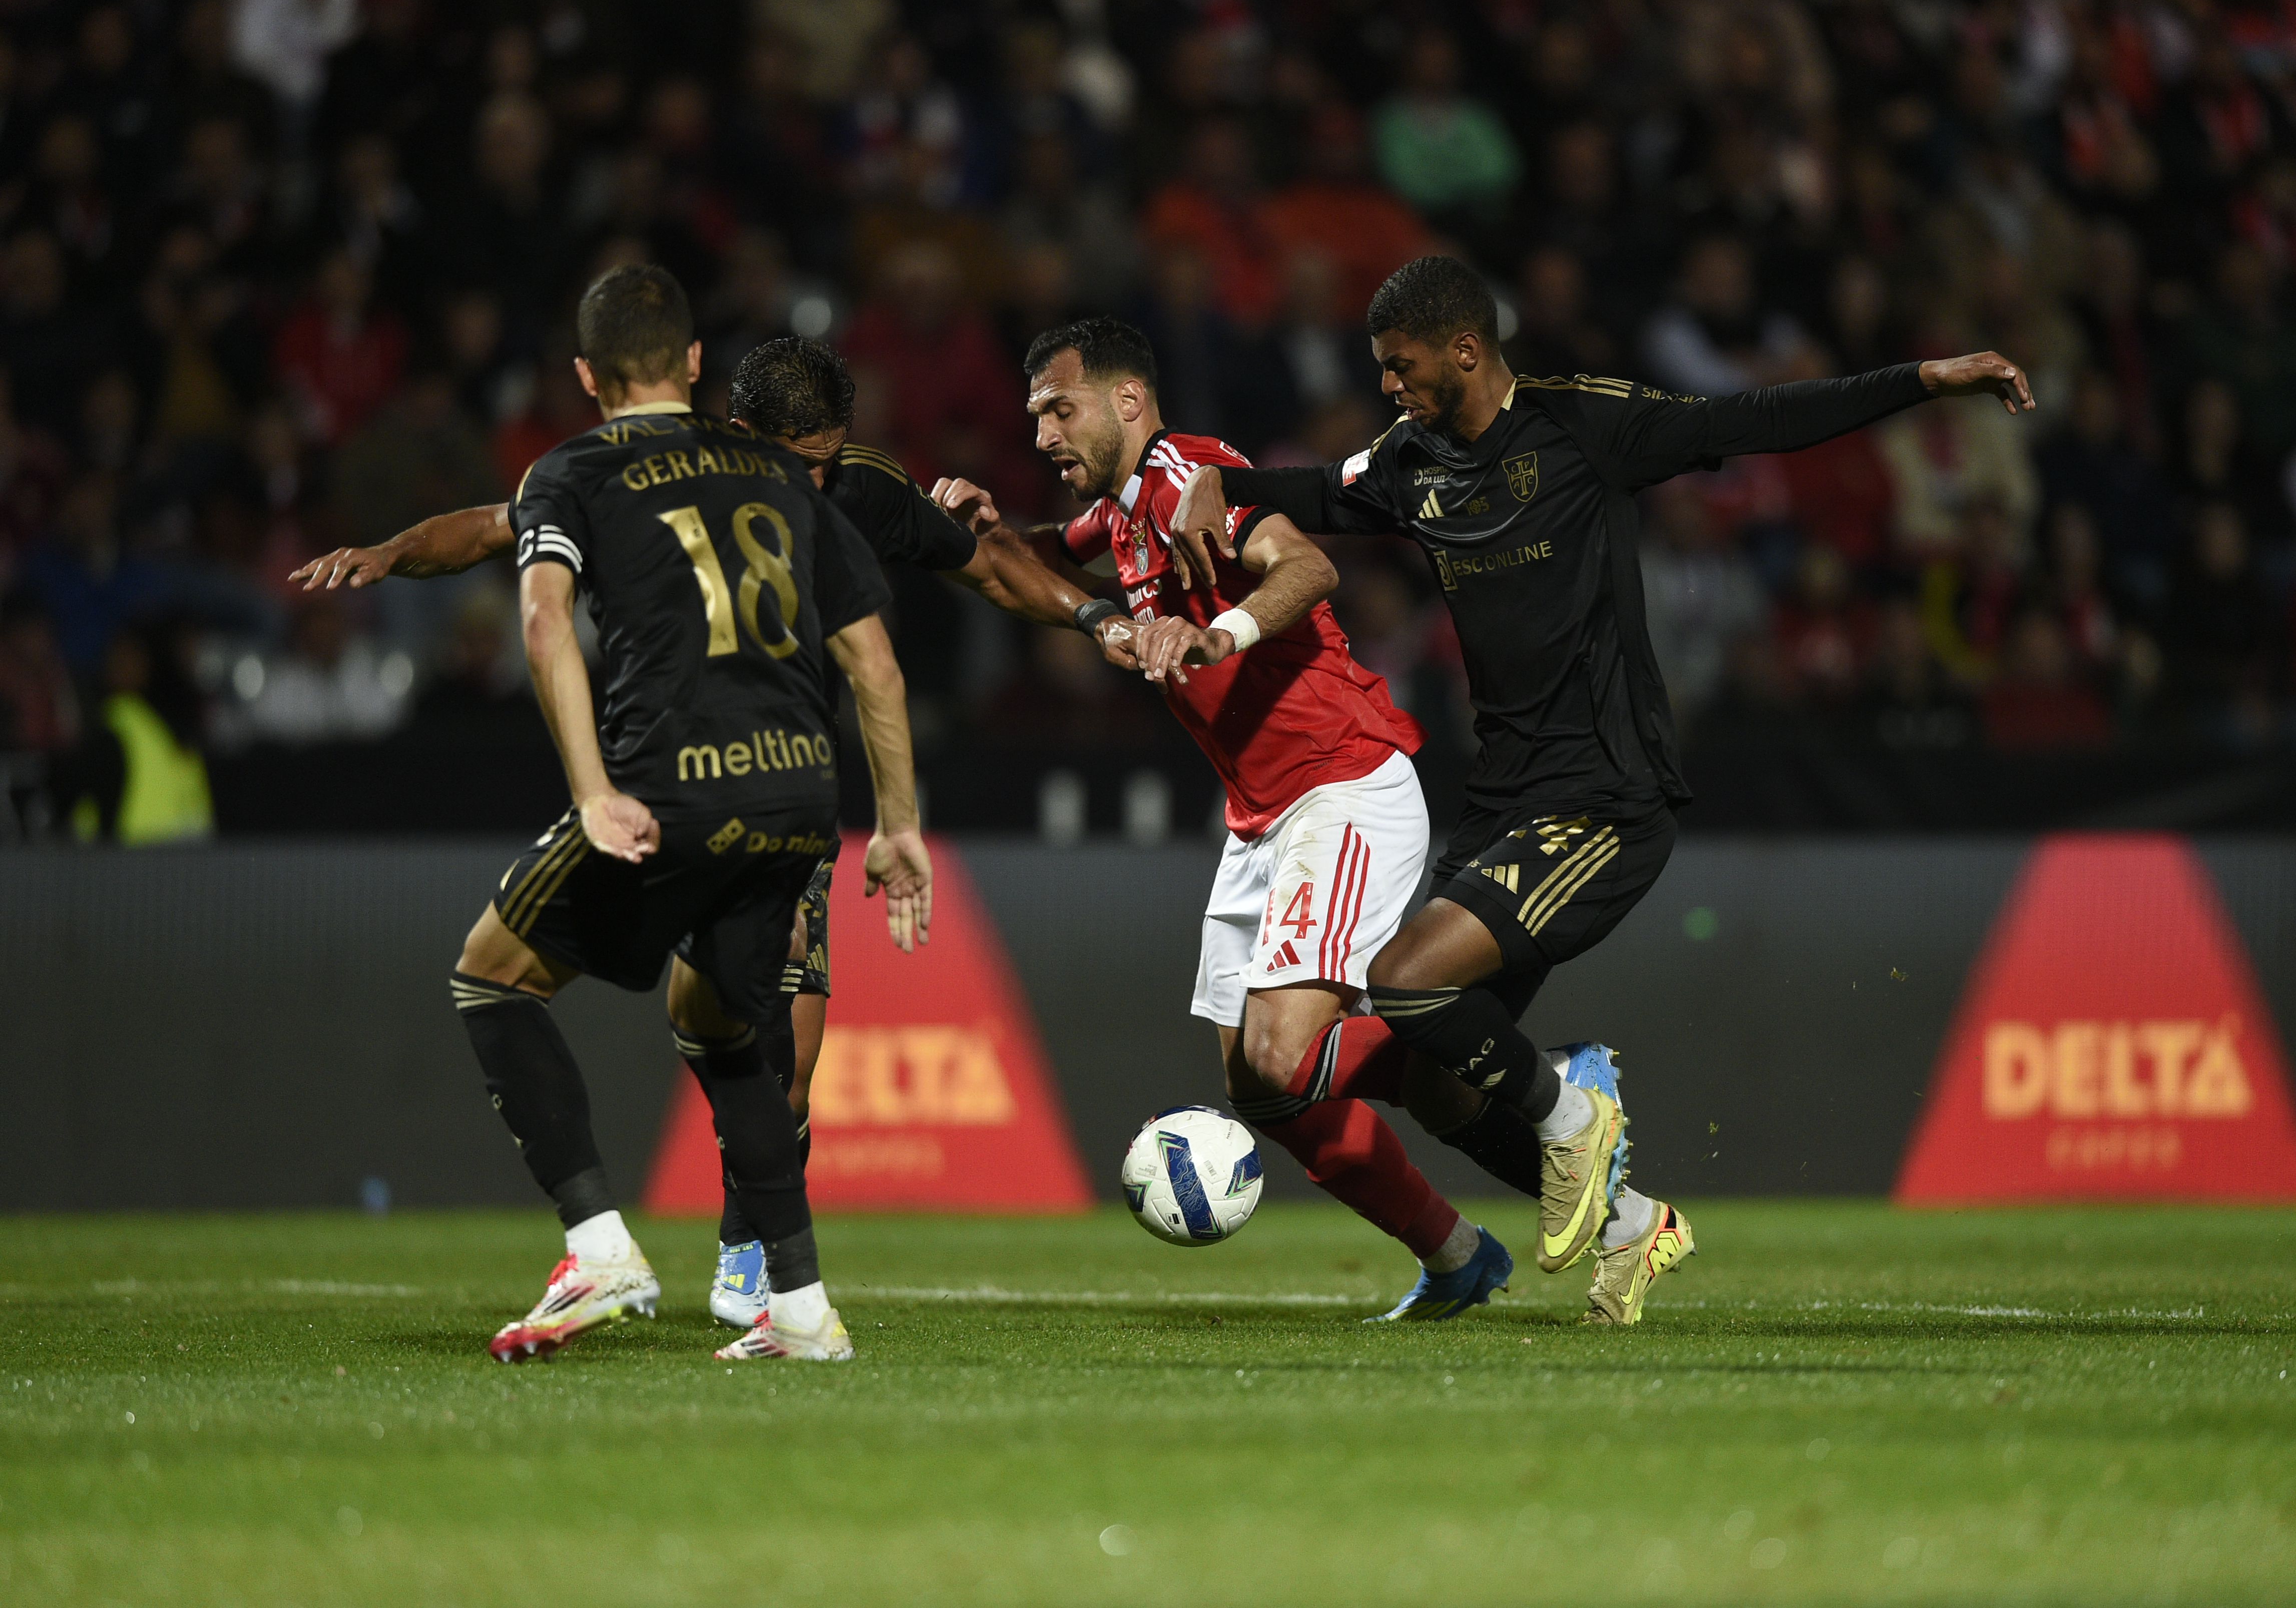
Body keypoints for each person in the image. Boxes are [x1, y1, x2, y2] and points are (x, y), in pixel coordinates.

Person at [1169, 255, 2035, 1322]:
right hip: (1501, 801)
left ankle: (1574, 1103)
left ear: (1465, 350)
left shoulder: (1585, 425)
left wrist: (1923, 377)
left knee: (1403, 982)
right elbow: (1315, 492)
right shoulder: (1411, 460)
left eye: (1400, 367)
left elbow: (1761, 416)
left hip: (1604, 797)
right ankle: (1630, 1223)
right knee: (1441, 1082)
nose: (1387, 386)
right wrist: (1219, 484)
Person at [294, 335, 1113, 1331]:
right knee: (690, 1015)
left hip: (777, 783)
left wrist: (1103, 623)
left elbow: (983, 566)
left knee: (781, 1047)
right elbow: (497, 529)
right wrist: (392, 552)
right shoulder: (660, 478)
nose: (809, 482)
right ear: (737, 431)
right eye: (796, 457)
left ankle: (748, 1262)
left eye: (824, 460)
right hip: (674, 774)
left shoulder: (855, 489)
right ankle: (757, 1275)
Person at [940, 315, 1524, 1322]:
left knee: (1280, 1054)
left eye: (1059, 409)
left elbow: (1308, 567)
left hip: (1340, 782)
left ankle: (1547, 1080)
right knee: (1267, 1095)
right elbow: (1023, 561)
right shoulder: (1119, 517)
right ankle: (1457, 1253)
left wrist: (1219, 633)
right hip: (1262, 814)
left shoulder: (1185, 474)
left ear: (1128, 401)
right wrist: (962, 529)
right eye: (1036, 414)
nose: (1042, 435)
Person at [431, 264, 927, 1364]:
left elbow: (543, 617)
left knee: (492, 974)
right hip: (802, 793)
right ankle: (797, 1307)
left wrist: (593, 788)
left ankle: (601, 1247)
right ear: (695, 362)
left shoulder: (573, 469)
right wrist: (897, 825)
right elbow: (876, 666)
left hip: (674, 782)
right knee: (721, 1026)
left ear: (586, 375)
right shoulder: (779, 471)